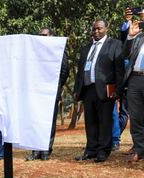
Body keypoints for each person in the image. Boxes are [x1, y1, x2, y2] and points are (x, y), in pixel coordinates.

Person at [73, 20, 124, 163]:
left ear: (106, 28)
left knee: (105, 122)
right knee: (90, 122)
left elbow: (119, 70)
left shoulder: (114, 44)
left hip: (106, 90)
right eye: (94, 29)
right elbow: (80, 72)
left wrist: (118, 90)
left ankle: (103, 151)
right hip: (88, 89)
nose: (96, 31)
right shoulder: (86, 48)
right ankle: (91, 150)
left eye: (99, 29)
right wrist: (77, 89)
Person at [25, 27, 69, 161]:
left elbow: (64, 70)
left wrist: (55, 86)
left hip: (51, 92)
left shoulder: (58, 51)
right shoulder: (34, 52)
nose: (42, 37)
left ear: (51, 36)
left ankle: (45, 151)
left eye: (45, 35)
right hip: (36, 93)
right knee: (35, 121)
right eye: (40, 35)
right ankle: (35, 151)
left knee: (49, 122)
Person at [123, 8, 144, 162]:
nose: (141, 18)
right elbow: (126, 53)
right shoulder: (141, 35)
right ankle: (139, 150)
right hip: (134, 79)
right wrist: (131, 36)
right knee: (136, 117)